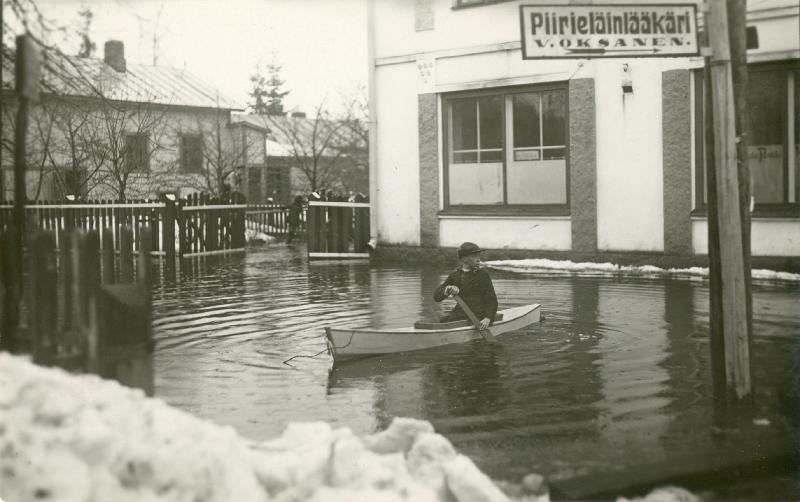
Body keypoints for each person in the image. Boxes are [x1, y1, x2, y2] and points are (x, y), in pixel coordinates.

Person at [433, 242, 498, 330]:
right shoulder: (455, 274)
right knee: (442, 322)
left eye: (478, 256)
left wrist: (488, 318)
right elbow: (436, 297)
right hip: (460, 312)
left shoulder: (482, 275)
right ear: (463, 259)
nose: (478, 259)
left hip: (479, 315)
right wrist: (448, 289)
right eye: (474, 256)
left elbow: (492, 300)